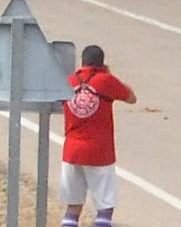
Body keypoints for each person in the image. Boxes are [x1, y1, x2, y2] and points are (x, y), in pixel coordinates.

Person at [59, 45, 136, 227]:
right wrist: (108, 75)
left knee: (73, 207)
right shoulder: (105, 80)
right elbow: (131, 97)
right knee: (105, 207)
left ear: (82, 61)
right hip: (99, 152)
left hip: (72, 152)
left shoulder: (68, 81)